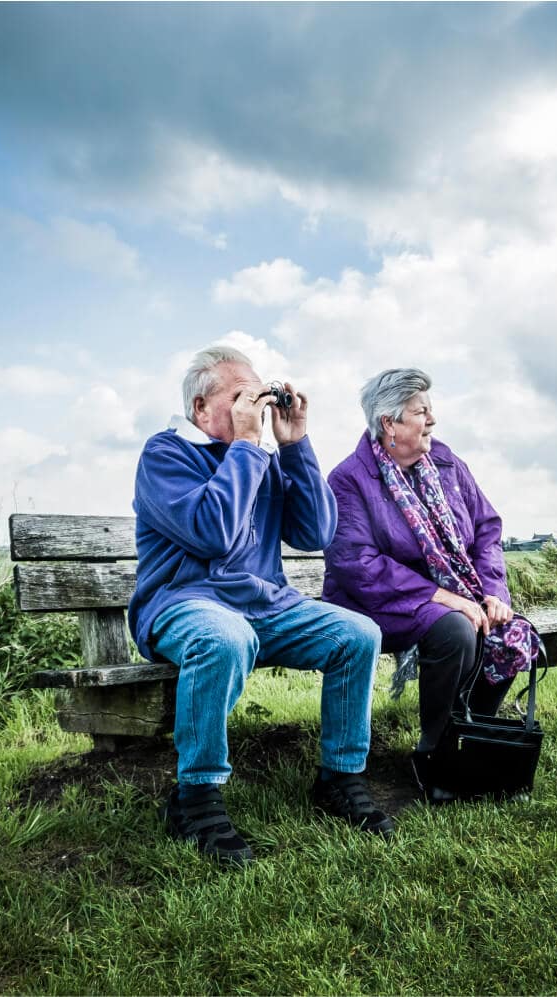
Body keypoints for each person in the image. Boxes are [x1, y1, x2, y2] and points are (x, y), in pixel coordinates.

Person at [128, 344, 393, 866]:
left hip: (265, 606)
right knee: (225, 636)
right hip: (184, 604)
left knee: (358, 635)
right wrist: (249, 445)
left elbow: (316, 531)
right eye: (240, 396)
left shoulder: (261, 459)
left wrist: (293, 445)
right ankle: (195, 796)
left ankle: (340, 777)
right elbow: (213, 534)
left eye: (259, 393)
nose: (256, 406)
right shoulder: (165, 455)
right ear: (202, 409)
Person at [322, 368, 539, 805]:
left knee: (511, 631)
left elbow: (486, 528)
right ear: (389, 424)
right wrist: (443, 596)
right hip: (377, 601)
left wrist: (493, 591)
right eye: (422, 412)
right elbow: (356, 563)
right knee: (456, 629)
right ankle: (433, 753)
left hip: (454, 593)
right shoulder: (350, 478)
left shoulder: (446, 462)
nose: (432, 421)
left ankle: (470, 737)